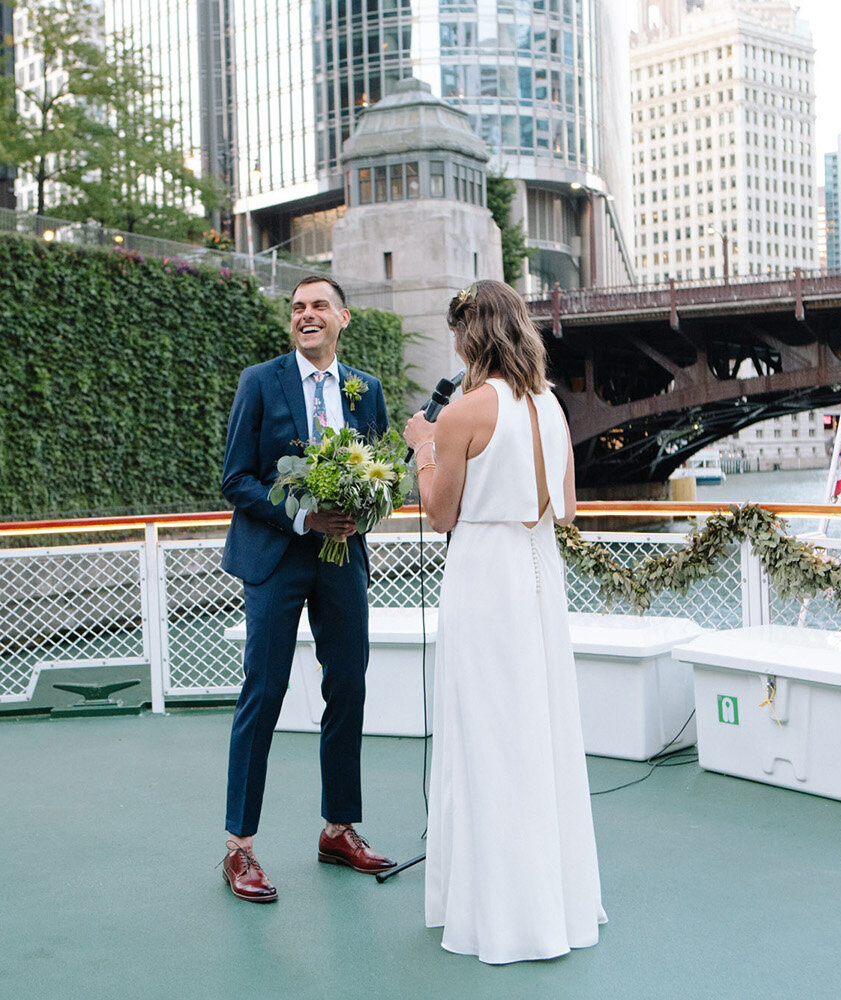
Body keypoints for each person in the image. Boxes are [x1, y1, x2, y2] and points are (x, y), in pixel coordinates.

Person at [403, 279, 605, 963]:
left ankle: (502, 912)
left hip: (486, 575)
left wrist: (425, 446)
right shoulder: (550, 405)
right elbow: (569, 506)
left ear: (469, 338)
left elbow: (440, 513)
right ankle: (556, 904)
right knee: (538, 733)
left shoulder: (464, 412)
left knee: (486, 735)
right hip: (540, 572)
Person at [218, 275, 397, 902]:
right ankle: (239, 848)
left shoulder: (366, 389)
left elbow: (382, 474)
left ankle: (338, 829)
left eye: (319, 305)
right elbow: (235, 479)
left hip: (342, 558)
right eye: (297, 308)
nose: (306, 315)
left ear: (343, 318)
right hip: (276, 556)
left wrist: (363, 510)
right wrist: (300, 517)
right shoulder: (259, 382)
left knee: (348, 685)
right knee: (263, 691)